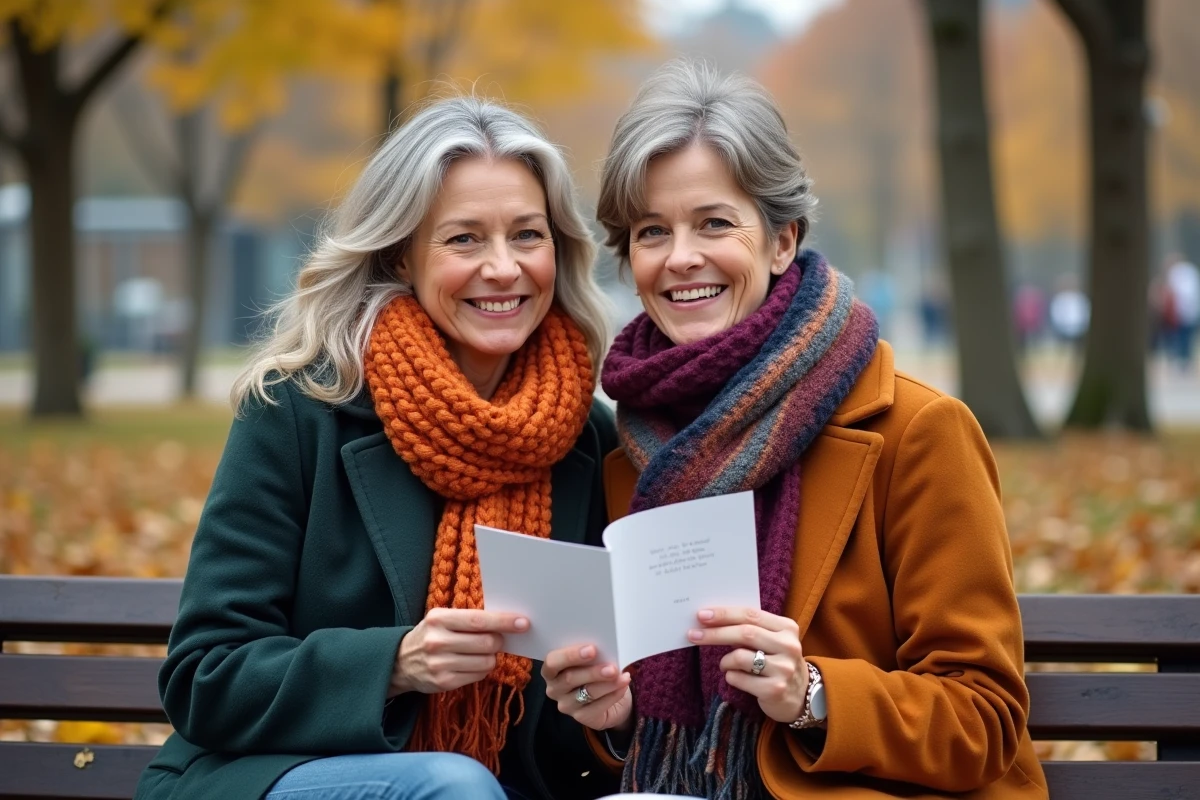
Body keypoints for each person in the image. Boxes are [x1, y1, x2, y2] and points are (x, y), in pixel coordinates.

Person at [560, 60, 1047, 799]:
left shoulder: (919, 432)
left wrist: (813, 693)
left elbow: (984, 719)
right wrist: (618, 719)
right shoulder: (631, 452)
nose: (681, 257)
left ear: (782, 240)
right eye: (652, 231)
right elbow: (654, 738)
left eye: (714, 223)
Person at [134, 96, 622, 800]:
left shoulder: (587, 437)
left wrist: (605, 714)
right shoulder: (298, 410)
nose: (503, 267)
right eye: (463, 239)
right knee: (453, 787)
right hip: (276, 776)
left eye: (526, 235)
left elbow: (567, 738)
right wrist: (395, 664)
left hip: (499, 790)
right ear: (402, 254)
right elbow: (204, 678)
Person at [1165, 253, 1200, 370]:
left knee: (1181, 336)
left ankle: (1182, 359)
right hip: (1191, 310)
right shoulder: (1191, 271)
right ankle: (1184, 359)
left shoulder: (1175, 273)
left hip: (1181, 311)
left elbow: (1173, 293)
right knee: (1187, 337)